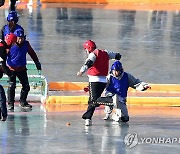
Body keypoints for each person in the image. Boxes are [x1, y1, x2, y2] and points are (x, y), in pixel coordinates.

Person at [77, 40, 121, 126]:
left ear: (88, 49)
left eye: (86, 49)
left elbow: (88, 63)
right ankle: (88, 118)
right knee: (92, 100)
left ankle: (111, 100)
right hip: (103, 80)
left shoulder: (93, 54)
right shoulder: (105, 52)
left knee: (94, 100)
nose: (86, 51)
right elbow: (117, 56)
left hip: (94, 80)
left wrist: (81, 71)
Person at [6, 29, 42, 110]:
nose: (20, 40)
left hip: (22, 69)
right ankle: (10, 104)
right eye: (18, 38)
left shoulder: (26, 44)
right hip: (12, 69)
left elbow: (32, 53)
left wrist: (37, 62)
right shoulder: (10, 44)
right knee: (12, 86)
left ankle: (23, 102)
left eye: (22, 38)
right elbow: (3, 55)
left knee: (26, 87)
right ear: (15, 38)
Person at [0, 33, 17, 121]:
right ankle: (4, 115)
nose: (14, 45)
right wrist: (10, 73)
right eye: (13, 43)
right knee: (1, 96)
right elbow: (2, 63)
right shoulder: (2, 48)